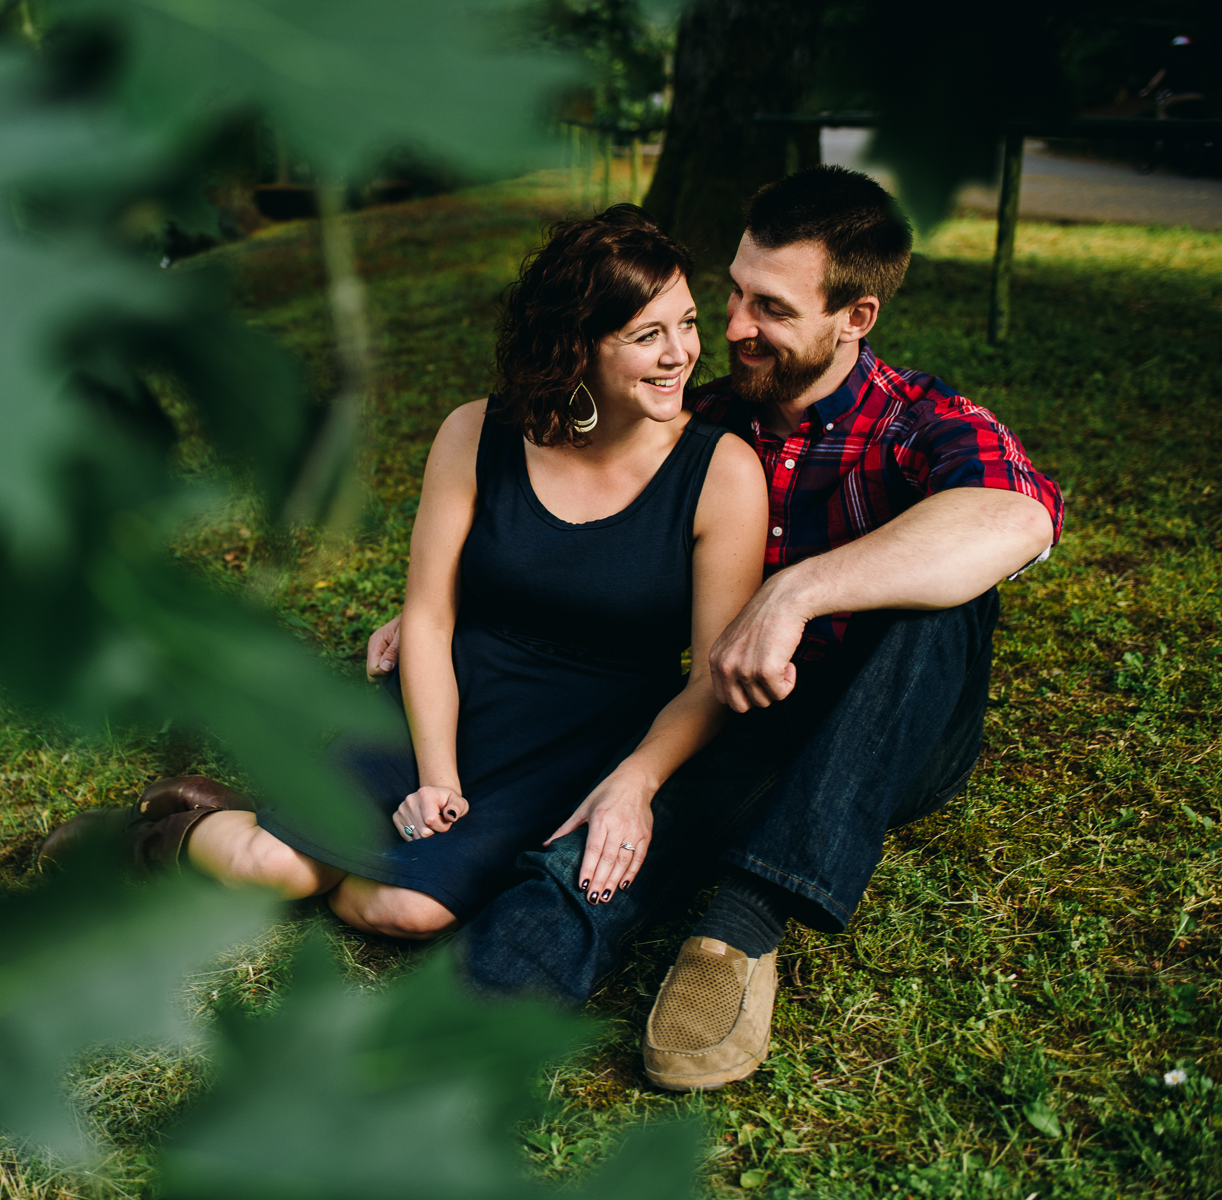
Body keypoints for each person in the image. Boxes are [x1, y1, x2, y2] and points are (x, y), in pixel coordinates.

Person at [366, 166, 1064, 1092]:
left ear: (854, 317)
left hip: (886, 732)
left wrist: (798, 592)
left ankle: (740, 924)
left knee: (947, 599)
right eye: (732, 293)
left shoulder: (918, 424)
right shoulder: (706, 411)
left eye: (769, 307)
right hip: (739, 721)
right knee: (603, 838)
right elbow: (582, 503)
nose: (731, 328)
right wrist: (456, 599)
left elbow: (1017, 516)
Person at [41, 206, 768, 942]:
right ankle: (141, 842)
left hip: (583, 739)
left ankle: (267, 820)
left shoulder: (721, 474)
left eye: (686, 323)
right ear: (577, 347)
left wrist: (636, 777)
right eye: (647, 336)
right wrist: (437, 777)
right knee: (279, 868)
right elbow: (428, 618)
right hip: (453, 692)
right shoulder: (476, 433)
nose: (681, 353)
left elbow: (709, 677)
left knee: (398, 908)